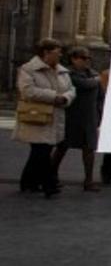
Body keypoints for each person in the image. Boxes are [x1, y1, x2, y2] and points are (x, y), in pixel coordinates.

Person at [12, 38, 75, 198]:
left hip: (55, 117)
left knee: (39, 152)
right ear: (46, 53)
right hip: (36, 116)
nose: (60, 55)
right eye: (57, 52)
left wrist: (66, 97)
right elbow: (28, 91)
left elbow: (71, 89)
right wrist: (54, 97)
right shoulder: (28, 69)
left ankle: (27, 183)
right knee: (42, 151)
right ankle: (49, 184)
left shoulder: (62, 71)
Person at [51, 46, 102, 192]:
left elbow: (100, 96)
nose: (86, 61)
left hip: (90, 118)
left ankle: (89, 181)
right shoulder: (68, 74)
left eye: (88, 58)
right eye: (83, 58)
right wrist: (98, 79)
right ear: (73, 59)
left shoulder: (92, 74)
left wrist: (99, 113)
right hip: (72, 117)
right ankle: (51, 175)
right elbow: (84, 84)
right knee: (62, 148)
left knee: (89, 150)